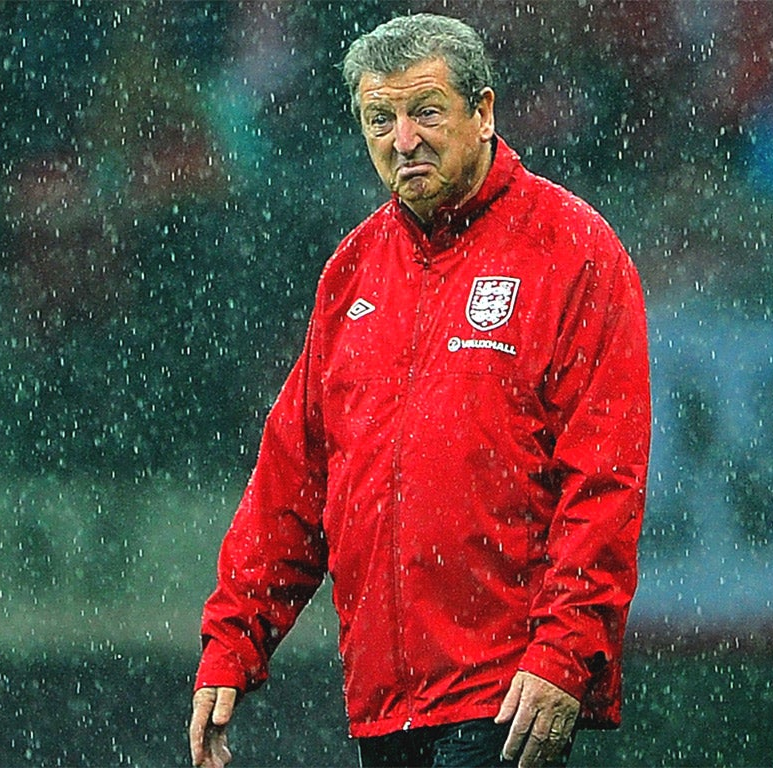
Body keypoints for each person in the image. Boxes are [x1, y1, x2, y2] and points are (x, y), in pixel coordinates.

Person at [188, 12, 650, 768]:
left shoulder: (573, 250)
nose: (403, 139)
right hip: (382, 707)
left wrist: (565, 651)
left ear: (484, 112)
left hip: (506, 697)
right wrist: (233, 639)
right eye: (380, 118)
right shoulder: (353, 270)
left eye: (426, 110)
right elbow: (294, 480)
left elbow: (604, 481)